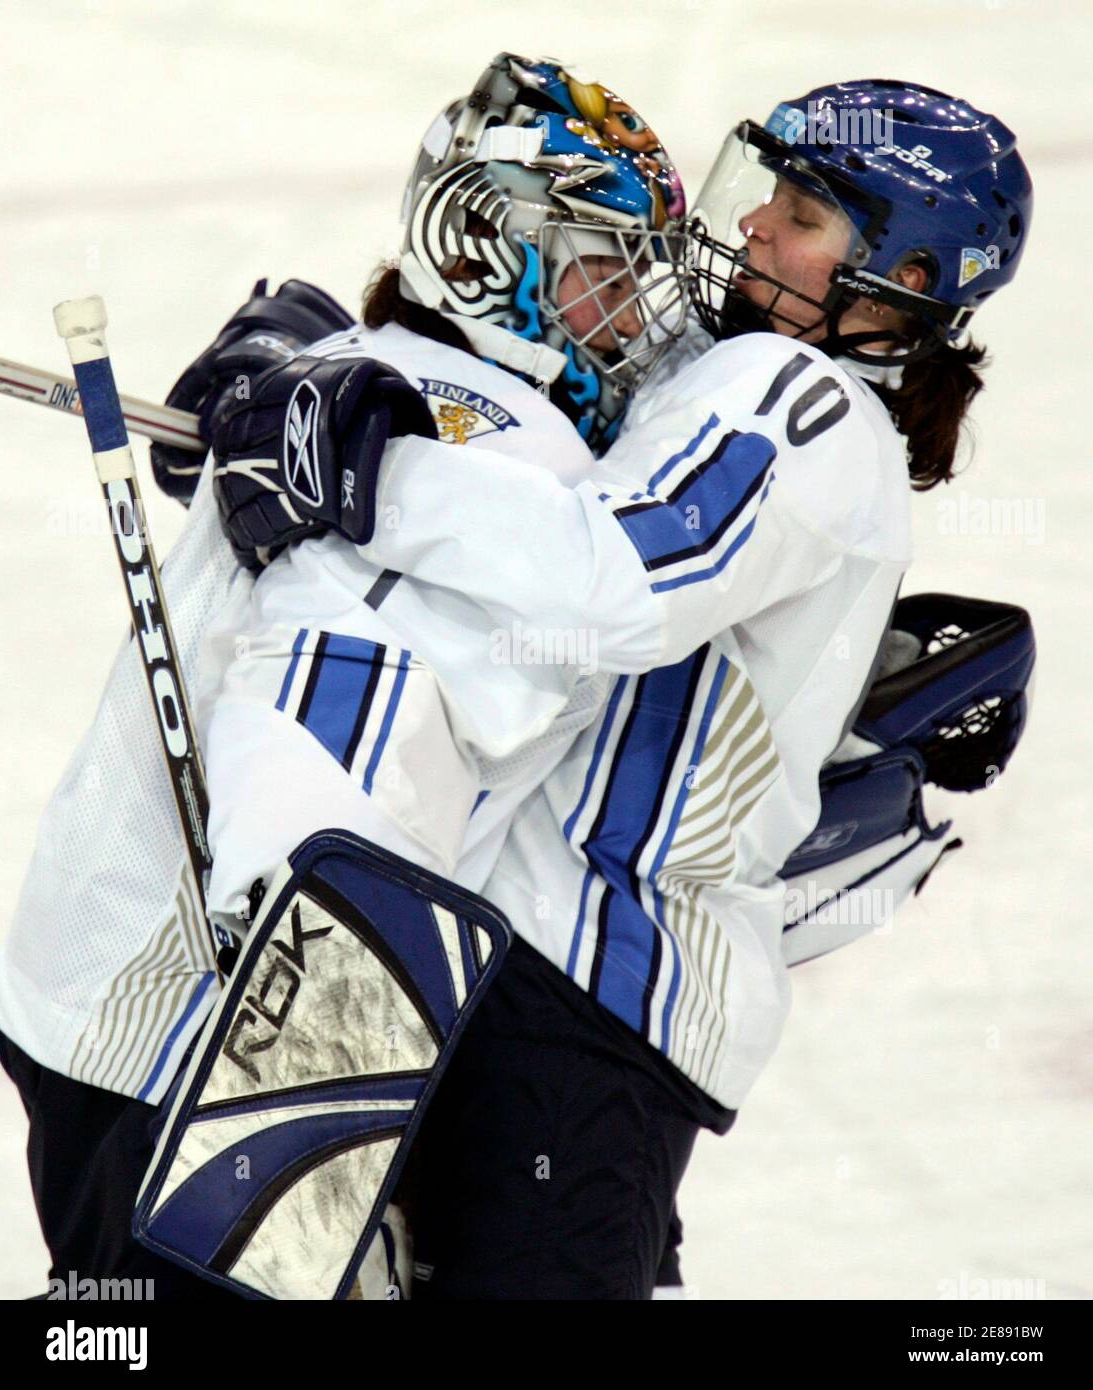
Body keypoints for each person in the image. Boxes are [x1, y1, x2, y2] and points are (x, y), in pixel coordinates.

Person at [218, 80, 1032, 1298]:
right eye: (770, 195)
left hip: (584, 1000)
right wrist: (327, 354)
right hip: (533, 981)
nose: (755, 224)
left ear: (905, 279)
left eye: (805, 213)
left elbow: (618, 575)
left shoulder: (803, 405)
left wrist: (357, 468)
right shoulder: (741, 380)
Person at [0, 52, 688, 1299]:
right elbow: (337, 714)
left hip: (101, 983)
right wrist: (302, 1091)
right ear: (494, 251)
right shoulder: (494, 441)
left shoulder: (375, 384)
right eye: (598, 267)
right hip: (205, 1039)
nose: (632, 315)